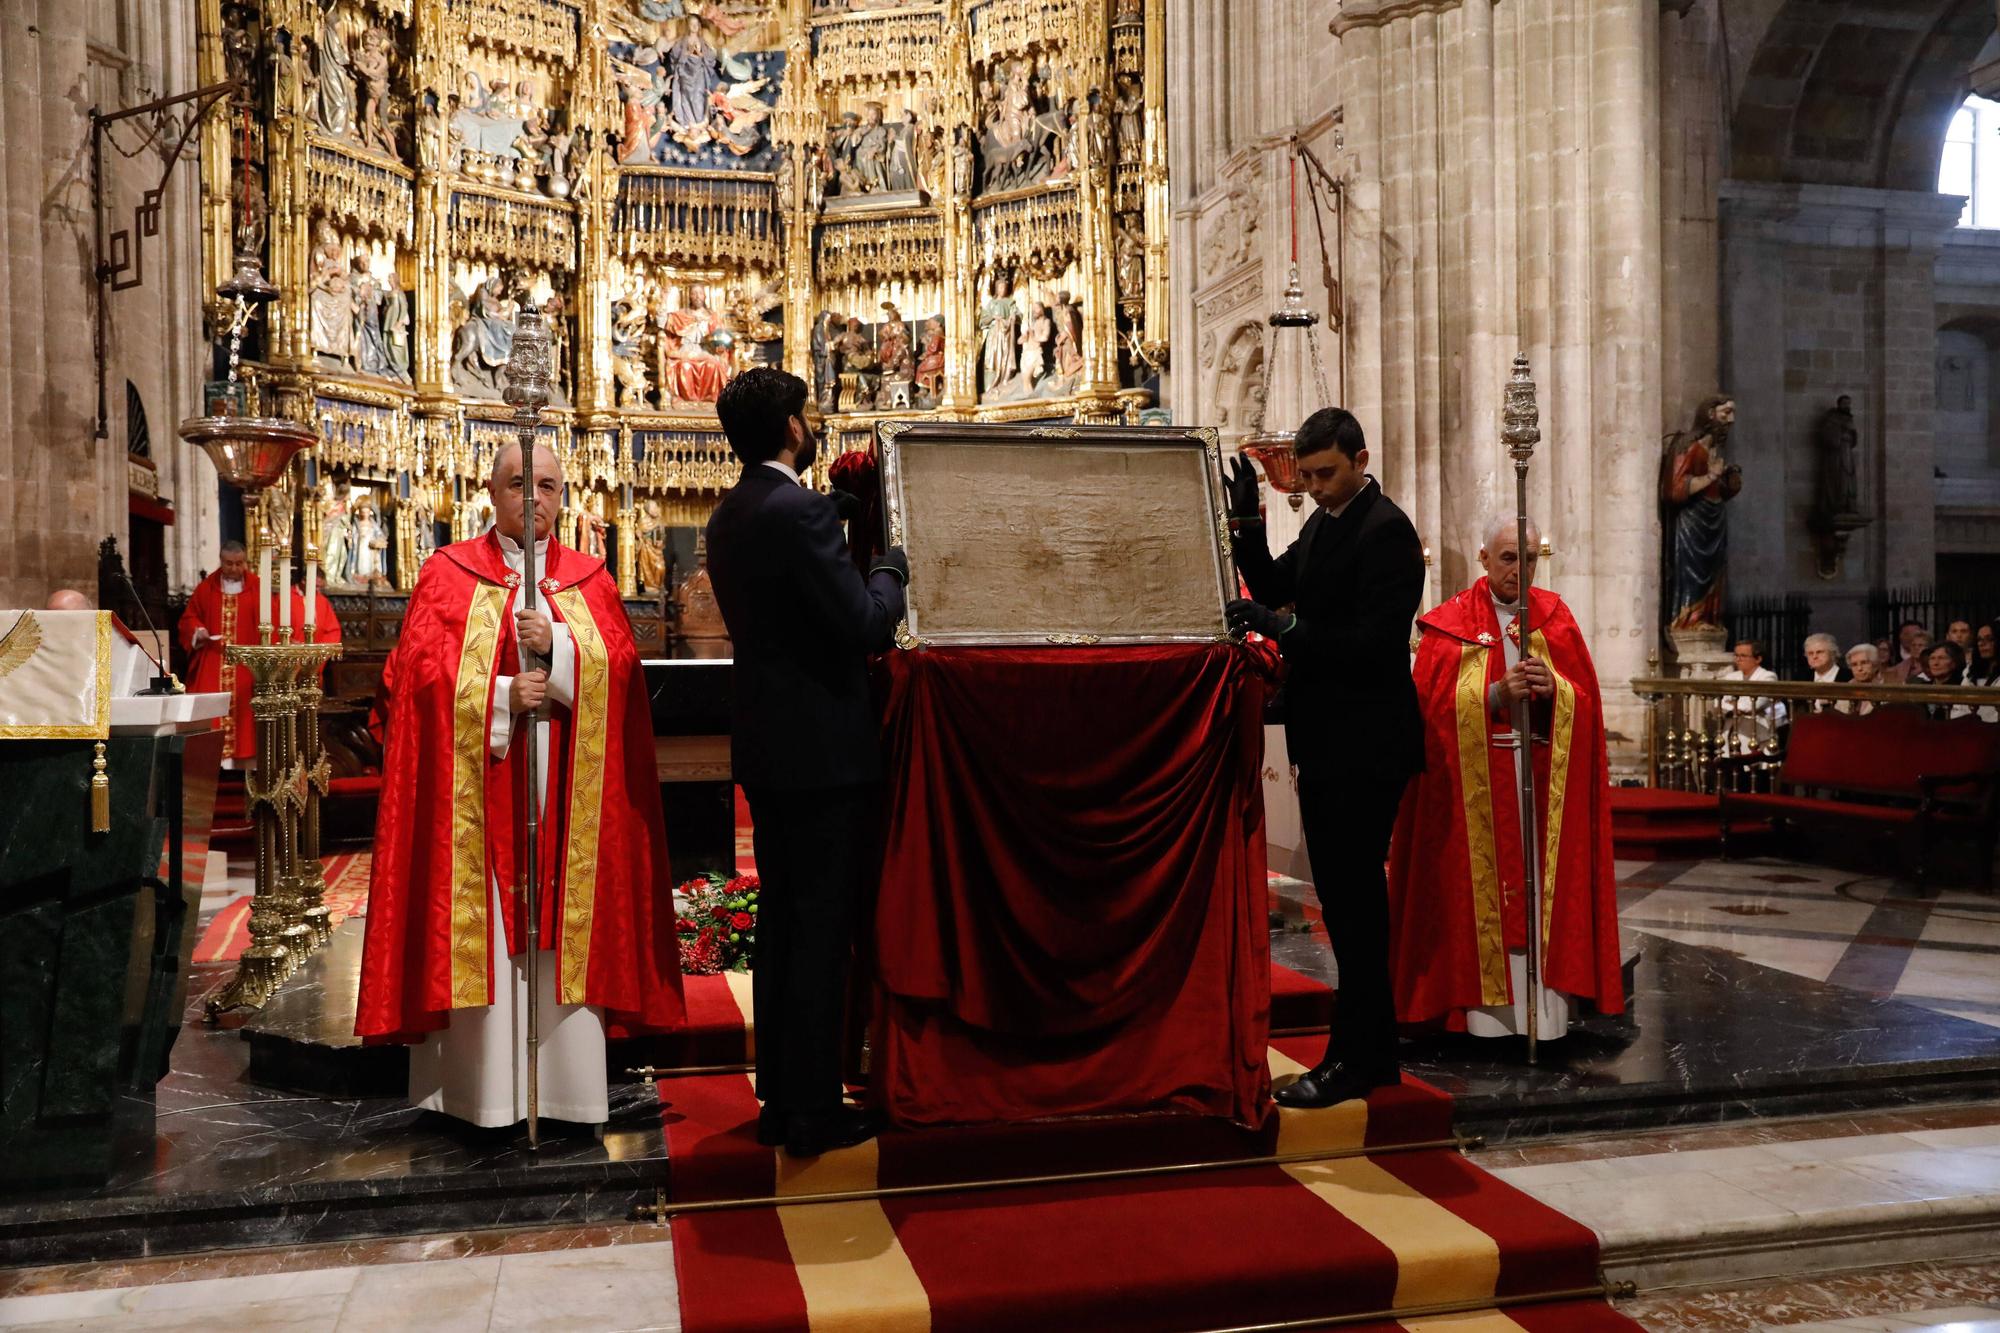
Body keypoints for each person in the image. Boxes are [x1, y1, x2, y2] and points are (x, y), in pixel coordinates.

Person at [356, 440, 683, 1132]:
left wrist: (563, 651)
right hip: (485, 790)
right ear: (491, 493)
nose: (532, 498)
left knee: (565, 922)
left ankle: (567, 1093)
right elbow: (411, 680)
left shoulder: (589, 577)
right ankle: (487, 1097)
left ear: (563, 496)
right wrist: (503, 692)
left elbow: (622, 675)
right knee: (492, 932)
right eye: (516, 483)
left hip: (566, 799)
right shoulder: (448, 573)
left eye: (546, 485)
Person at [703, 368, 909, 1157]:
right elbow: (863, 624)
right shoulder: (799, 510)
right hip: (826, 749)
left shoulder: (733, 512)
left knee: (784, 927)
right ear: (792, 427)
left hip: (768, 743)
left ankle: (782, 1098)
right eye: (809, 412)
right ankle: (816, 1110)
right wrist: (889, 567)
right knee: (821, 932)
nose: (815, 422)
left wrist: (835, 521)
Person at [1223, 407, 1425, 1107]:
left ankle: (1359, 1059)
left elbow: (1373, 644)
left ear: (1361, 457)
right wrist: (1246, 522)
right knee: (1341, 904)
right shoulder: (1323, 520)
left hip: (1368, 742)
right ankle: (1369, 1054)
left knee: (1356, 905)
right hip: (1329, 737)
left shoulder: (1386, 529)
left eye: (1325, 472)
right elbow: (1276, 585)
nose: (1311, 485)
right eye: (1305, 474)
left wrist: (1288, 630)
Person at [1387, 517, 1623, 1041]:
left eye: (1529, 558)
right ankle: (1486, 1020)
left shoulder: (1555, 620)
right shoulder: (1448, 625)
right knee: (1477, 895)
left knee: (1540, 891)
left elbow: (1586, 706)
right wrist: (1490, 697)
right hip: (1477, 794)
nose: (1520, 569)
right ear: (1484, 559)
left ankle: (1545, 1015)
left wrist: (1555, 690)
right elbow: (1424, 715)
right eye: (1508, 557)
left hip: (1538, 785)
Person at [177, 540, 263, 768]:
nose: (234, 569)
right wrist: (198, 631)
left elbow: (269, 624)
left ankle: (247, 769)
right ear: (221, 561)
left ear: (246, 562)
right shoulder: (207, 587)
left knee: (247, 717)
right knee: (209, 714)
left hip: (247, 666)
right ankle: (213, 768)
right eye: (229, 564)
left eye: (239, 563)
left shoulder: (257, 587)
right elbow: (188, 618)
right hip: (213, 662)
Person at [1716, 639, 1784, 752]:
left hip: (1755, 734)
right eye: (1736, 655)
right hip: (1731, 732)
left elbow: (1752, 705)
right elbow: (1719, 703)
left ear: (1758, 659)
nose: (1738, 659)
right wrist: (1734, 706)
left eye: (1743, 656)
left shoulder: (1767, 676)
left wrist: (1732, 704)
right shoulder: (1731, 677)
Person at [1803, 632, 1850, 713]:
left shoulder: (1848, 677)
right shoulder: (1802, 678)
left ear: (1832, 653)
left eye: (1819, 652)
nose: (1814, 656)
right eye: (1810, 653)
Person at [1964, 621, 1999, 721]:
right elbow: (1960, 706)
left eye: (1989, 639)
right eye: (1979, 639)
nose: (1982, 644)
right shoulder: (1970, 670)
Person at [1883, 619, 1931, 684]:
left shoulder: (1933, 666)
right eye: (1913, 645)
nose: (1916, 648)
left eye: (1920, 645)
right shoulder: (1899, 668)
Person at [1840, 643, 1881, 716]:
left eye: (1864, 663)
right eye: (1854, 665)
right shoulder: (1845, 689)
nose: (1859, 668)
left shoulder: (1886, 686)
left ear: (1875, 664)